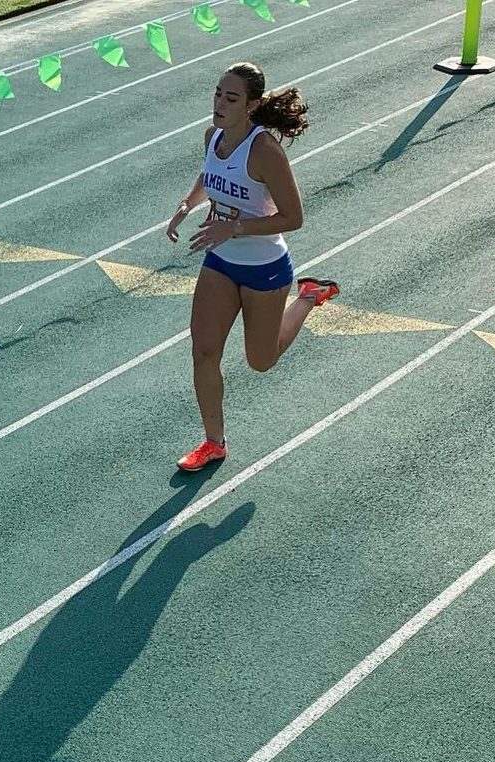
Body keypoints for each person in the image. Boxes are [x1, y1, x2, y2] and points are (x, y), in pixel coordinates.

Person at [166, 61, 339, 472]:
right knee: (203, 353)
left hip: (265, 268)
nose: (219, 103)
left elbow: (293, 218)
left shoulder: (265, 151)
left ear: (252, 105)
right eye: (217, 94)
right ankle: (213, 443)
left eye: (231, 97)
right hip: (220, 264)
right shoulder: (214, 137)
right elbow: (210, 176)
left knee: (261, 362)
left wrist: (235, 227)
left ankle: (308, 298)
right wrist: (187, 205)